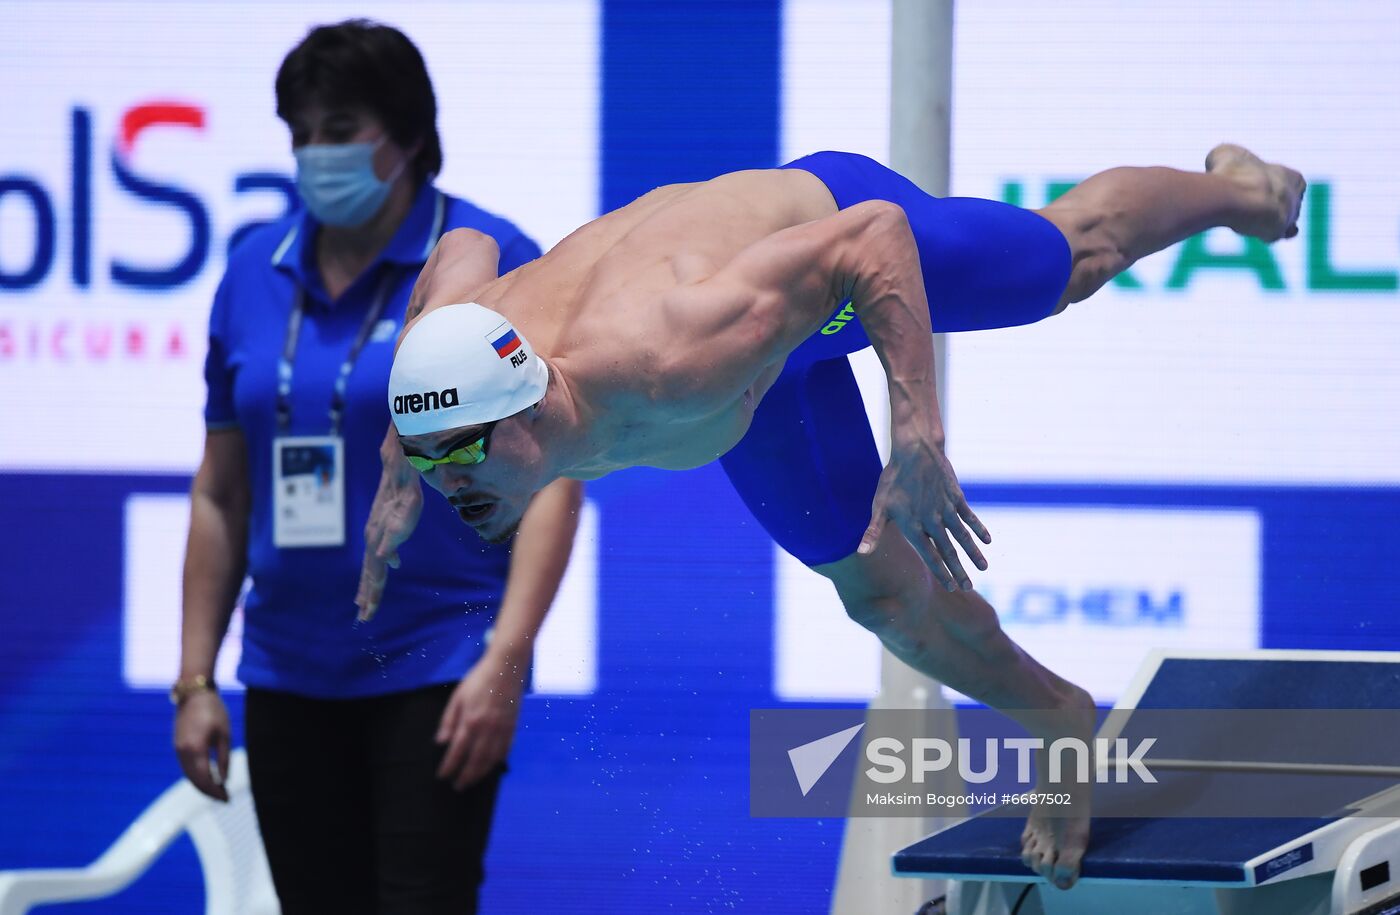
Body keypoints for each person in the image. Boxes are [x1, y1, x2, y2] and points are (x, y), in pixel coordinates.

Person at [362, 143, 1305, 890]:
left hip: (826, 241)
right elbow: (462, 252)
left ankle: (1243, 193)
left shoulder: (670, 346)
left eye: (462, 454)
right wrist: (396, 472)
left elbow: (873, 233)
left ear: (528, 403)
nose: (451, 483)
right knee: (883, 598)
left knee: (1072, 261)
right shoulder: (456, 379)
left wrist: (917, 425)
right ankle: (1061, 719)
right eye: (430, 456)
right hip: (757, 375)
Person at [172, 20, 582, 914]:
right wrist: (196, 677)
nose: (315, 154)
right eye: (301, 132)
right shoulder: (251, 271)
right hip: (286, 671)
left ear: (405, 136)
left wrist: (504, 662)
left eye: (340, 127)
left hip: (439, 665)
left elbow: (553, 477)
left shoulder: (493, 255)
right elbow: (221, 491)